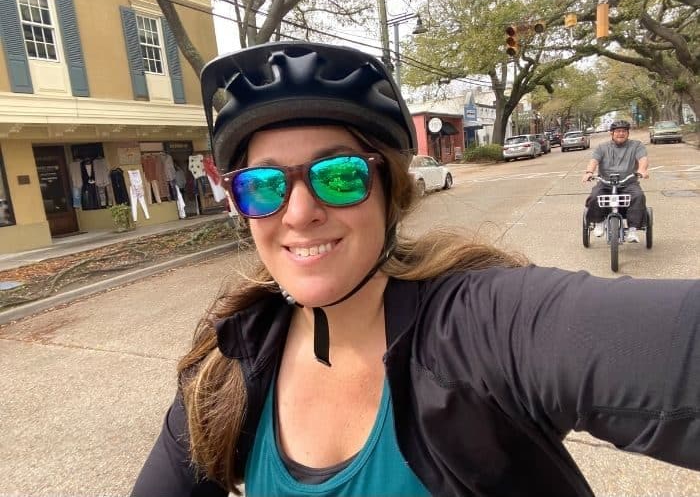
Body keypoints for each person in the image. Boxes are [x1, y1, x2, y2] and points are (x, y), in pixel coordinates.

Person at [131, 42, 700, 497]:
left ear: (390, 192)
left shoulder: (479, 327)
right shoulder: (229, 361)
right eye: (262, 185)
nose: (299, 213)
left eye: (339, 175)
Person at [581, 120, 649, 242]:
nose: (621, 134)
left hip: (628, 183)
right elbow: (594, 161)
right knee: (595, 196)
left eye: (624, 131)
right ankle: (599, 222)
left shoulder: (636, 145)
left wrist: (642, 170)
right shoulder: (602, 147)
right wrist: (589, 172)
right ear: (611, 133)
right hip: (605, 183)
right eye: (618, 131)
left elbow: (643, 159)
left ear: (628, 133)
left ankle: (632, 230)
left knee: (638, 196)